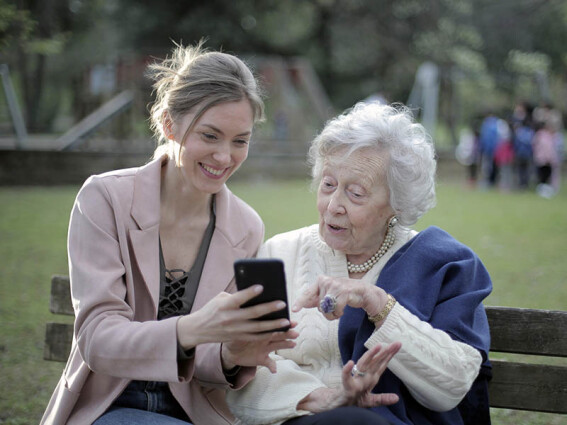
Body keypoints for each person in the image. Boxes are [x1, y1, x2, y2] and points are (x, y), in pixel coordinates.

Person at [41, 41, 297, 425]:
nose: (225, 157)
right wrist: (191, 328)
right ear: (168, 124)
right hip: (109, 406)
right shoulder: (104, 198)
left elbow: (208, 361)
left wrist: (230, 355)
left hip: (194, 414)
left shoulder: (246, 226)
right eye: (209, 136)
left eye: (239, 140)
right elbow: (97, 338)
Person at [227, 102, 492, 425]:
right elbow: (244, 363)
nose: (333, 206)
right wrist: (320, 398)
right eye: (328, 185)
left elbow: (453, 385)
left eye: (355, 193)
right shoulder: (280, 252)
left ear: (397, 203)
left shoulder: (443, 263)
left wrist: (378, 303)